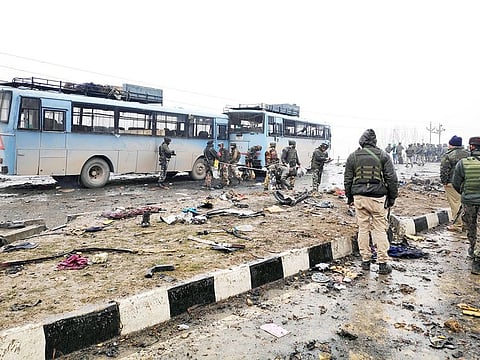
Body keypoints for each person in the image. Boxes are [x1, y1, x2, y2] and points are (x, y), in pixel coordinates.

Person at [344, 129, 398, 275]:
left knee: (363, 228)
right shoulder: (383, 156)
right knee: (380, 229)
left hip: (359, 198)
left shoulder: (353, 157)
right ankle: (382, 263)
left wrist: (349, 197)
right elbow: (391, 179)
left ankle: (365, 261)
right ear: (375, 142)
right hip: (377, 198)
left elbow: (348, 179)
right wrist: (392, 198)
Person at [452, 136, 480, 275]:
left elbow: (456, 183)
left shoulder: (463, 163)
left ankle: (473, 250)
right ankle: (477, 257)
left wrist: (465, 193)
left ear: (472, 147)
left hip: (469, 200)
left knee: (471, 226)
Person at [440, 135, 469, 232]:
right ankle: (466, 224)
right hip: (466, 182)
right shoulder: (468, 154)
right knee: (464, 204)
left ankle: (457, 225)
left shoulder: (448, 155)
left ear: (452, 144)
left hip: (452, 183)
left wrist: (444, 182)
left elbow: (444, 170)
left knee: (455, 203)